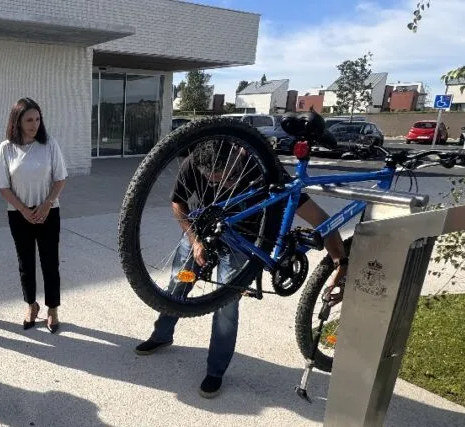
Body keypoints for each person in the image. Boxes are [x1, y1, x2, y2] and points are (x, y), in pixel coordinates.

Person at [133, 141, 347, 398]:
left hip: (244, 240)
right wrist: (195, 241)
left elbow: (321, 220)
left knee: (226, 306)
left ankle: (215, 371)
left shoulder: (265, 168)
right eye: (214, 181)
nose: (224, 184)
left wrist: (339, 262)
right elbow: (178, 204)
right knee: (177, 285)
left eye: (231, 177)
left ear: (237, 154)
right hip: (202, 231)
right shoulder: (193, 161)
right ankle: (162, 335)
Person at [0, 98, 67, 333]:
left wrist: (46, 205)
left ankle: (52, 309)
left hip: (49, 212)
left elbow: (60, 178)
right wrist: (24, 210)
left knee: (50, 262)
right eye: (28, 120)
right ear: (17, 121)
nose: (34, 124)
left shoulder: (49, 144)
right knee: (25, 263)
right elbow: (4, 186)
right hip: (18, 215)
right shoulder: (6, 148)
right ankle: (30, 305)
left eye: (37, 119)